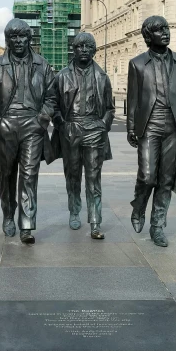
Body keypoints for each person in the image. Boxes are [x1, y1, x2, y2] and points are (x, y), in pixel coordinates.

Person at [126, 15, 176, 247]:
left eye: (166, 28)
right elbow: (133, 100)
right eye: (159, 30)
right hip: (149, 126)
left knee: (166, 180)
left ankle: (157, 225)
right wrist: (130, 128)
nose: (166, 33)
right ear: (148, 36)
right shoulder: (137, 64)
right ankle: (138, 206)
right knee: (147, 176)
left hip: (175, 127)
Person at [0, 18, 56, 244]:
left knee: (29, 175)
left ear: (29, 38)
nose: (18, 41)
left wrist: (41, 120)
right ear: (7, 40)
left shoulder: (42, 65)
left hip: (32, 126)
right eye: (13, 37)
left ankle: (26, 224)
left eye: (22, 36)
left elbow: (52, 97)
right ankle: (8, 214)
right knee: (7, 176)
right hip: (5, 125)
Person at [52, 32, 115, 239]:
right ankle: (74, 210)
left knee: (93, 178)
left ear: (94, 51)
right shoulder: (61, 76)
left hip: (94, 130)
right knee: (72, 176)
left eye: (89, 47)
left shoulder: (102, 77)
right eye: (80, 46)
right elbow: (53, 106)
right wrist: (62, 125)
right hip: (71, 129)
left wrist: (102, 125)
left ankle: (95, 221)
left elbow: (109, 108)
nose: (84, 50)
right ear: (74, 49)